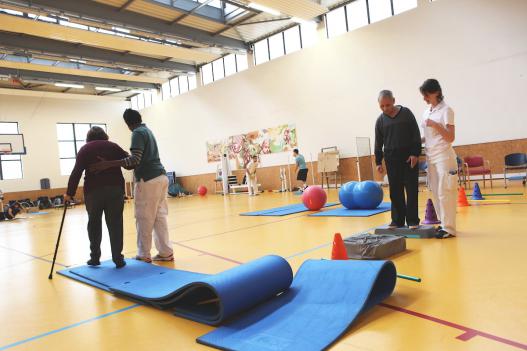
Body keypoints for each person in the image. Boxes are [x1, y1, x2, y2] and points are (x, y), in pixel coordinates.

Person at [90, 109, 173, 263]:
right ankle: (166, 252)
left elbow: (135, 160)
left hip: (147, 179)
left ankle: (143, 254)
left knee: (144, 217)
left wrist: (107, 164)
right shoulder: (148, 131)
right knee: (159, 217)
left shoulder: (137, 133)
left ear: (128, 124)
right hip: (161, 177)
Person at [65, 126, 128, 268]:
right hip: (115, 189)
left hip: (93, 192)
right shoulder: (113, 146)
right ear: (104, 135)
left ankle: (94, 258)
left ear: (88, 137)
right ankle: (118, 258)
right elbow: (129, 162)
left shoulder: (85, 149)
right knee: (115, 224)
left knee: (94, 224)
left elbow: (76, 172)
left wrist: (69, 193)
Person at [374, 90, 422, 229]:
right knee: (395, 191)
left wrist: (415, 154)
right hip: (391, 159)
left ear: (394, 101)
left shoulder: (406, 113)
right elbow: (378, 143)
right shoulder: (380, 120)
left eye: (387, 105)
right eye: (382, 106)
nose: (385, 109)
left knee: (411, 190)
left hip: (409, 159)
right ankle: (397, 220)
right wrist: (378, 162)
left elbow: (415, 135)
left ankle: (412, 220)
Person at [419, 79, 458, 238]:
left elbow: (450, 137)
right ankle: (443, 225)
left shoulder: (447, 110)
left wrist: (435, 124)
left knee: (445, 192)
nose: (424, 98)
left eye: (426, 95)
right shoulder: (426, 111)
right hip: (430, 156)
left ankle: (449, 228)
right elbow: (427, 136)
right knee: (435, 192)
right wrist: (415, 142)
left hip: (444, 156)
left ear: (436, 92)